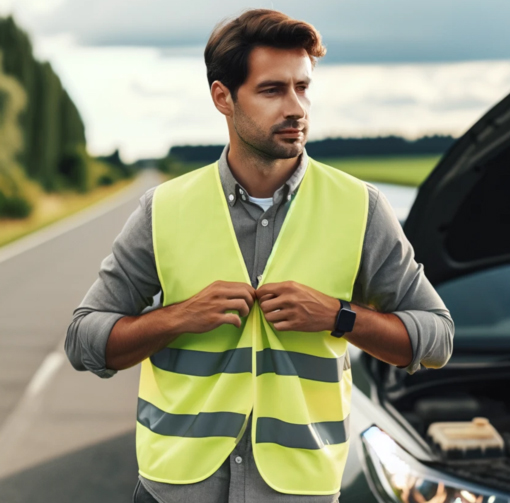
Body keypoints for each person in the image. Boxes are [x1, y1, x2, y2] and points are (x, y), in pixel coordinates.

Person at [64, 9, 453, 503]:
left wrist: (339, 316)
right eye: (273, 90)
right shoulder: (164, 209)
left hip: (299, 490)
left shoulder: (360, 208)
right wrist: (177, 318)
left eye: (303, 88)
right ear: (223, 97)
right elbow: (84, 340)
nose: (296, 108)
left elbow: (437, 337)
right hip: (175, 490)